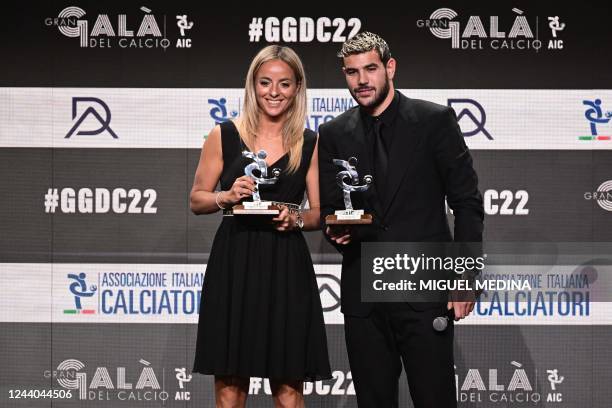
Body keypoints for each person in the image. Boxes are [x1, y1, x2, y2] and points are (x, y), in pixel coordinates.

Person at [318, 32, 484, 407]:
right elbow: (333, 208)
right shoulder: (332, 134)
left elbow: (467, 203)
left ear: (389, 68)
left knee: (435, 400)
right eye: (351, 72)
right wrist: (336, 233)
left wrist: (465, 276)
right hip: (365, 297)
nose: (361, 80)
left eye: (370, 69)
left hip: (425, 292)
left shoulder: (434, 121)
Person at [191, 45, 331, 408]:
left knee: (288, 388)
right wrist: (227, 196)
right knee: (230, 384)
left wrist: (296, 218)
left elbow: (321, 213)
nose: (274, 91)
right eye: (265, 82)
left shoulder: (310, 142)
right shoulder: (223, 134)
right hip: (235, 261)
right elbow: (196, 199)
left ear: (297, 88)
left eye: (284, 84)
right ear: (252, 85)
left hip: (286, 263)